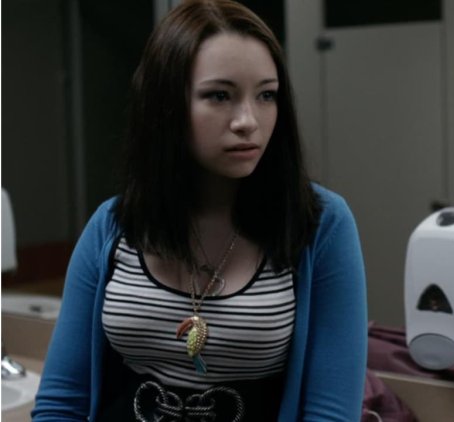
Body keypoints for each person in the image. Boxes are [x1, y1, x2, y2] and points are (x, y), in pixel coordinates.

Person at [32, 1, 368, 420]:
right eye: (219, 96)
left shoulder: (320, 223)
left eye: (266, 95)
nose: (248, 121)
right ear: (165, 104)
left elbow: (330, 413)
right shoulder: (114, 225)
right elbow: (62, 401)